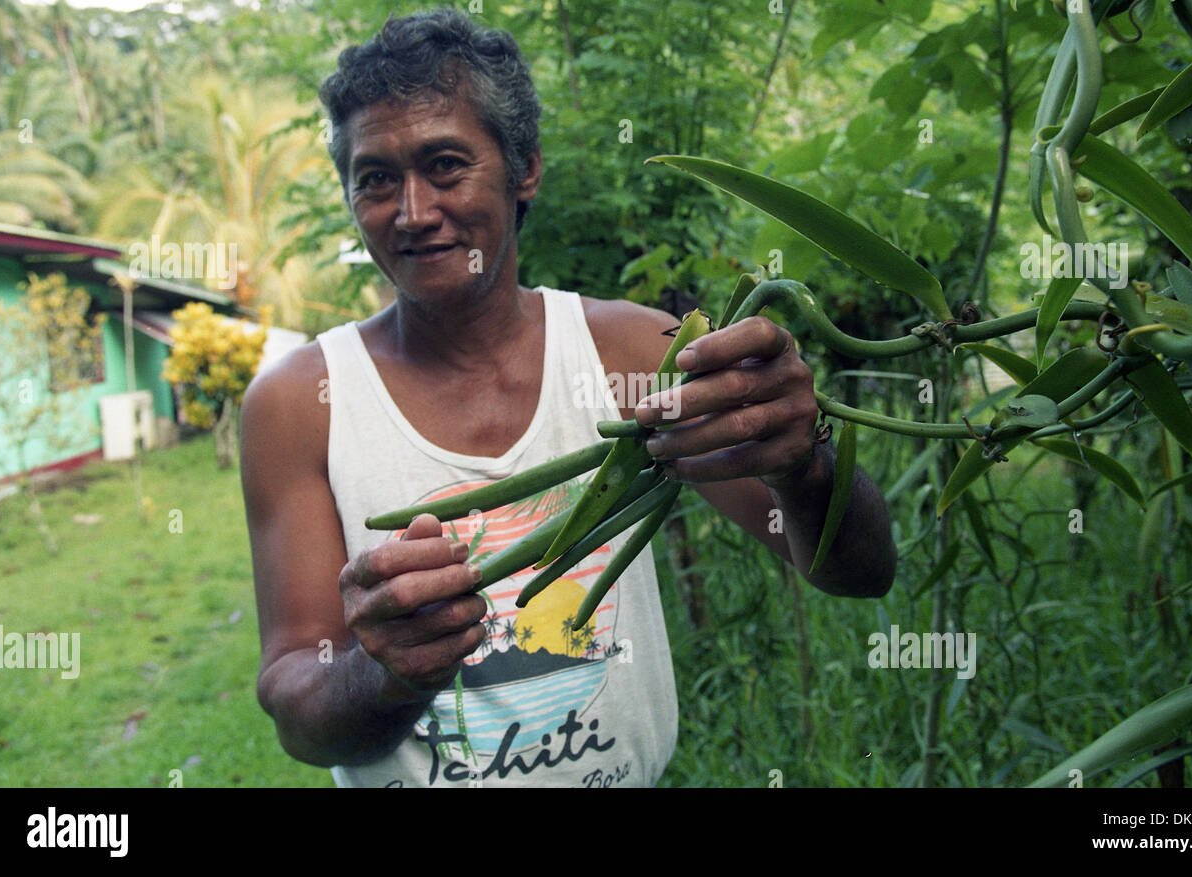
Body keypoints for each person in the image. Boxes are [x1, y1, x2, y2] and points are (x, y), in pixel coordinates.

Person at [241, 8, 897, 788]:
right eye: (376, 178)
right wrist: (385, 674)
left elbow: (857, 571)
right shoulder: (299, 403)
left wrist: (807, 462)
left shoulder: (634, 354)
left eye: (445, 164)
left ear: (525, 170)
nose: (412, 212)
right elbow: (298, 711)